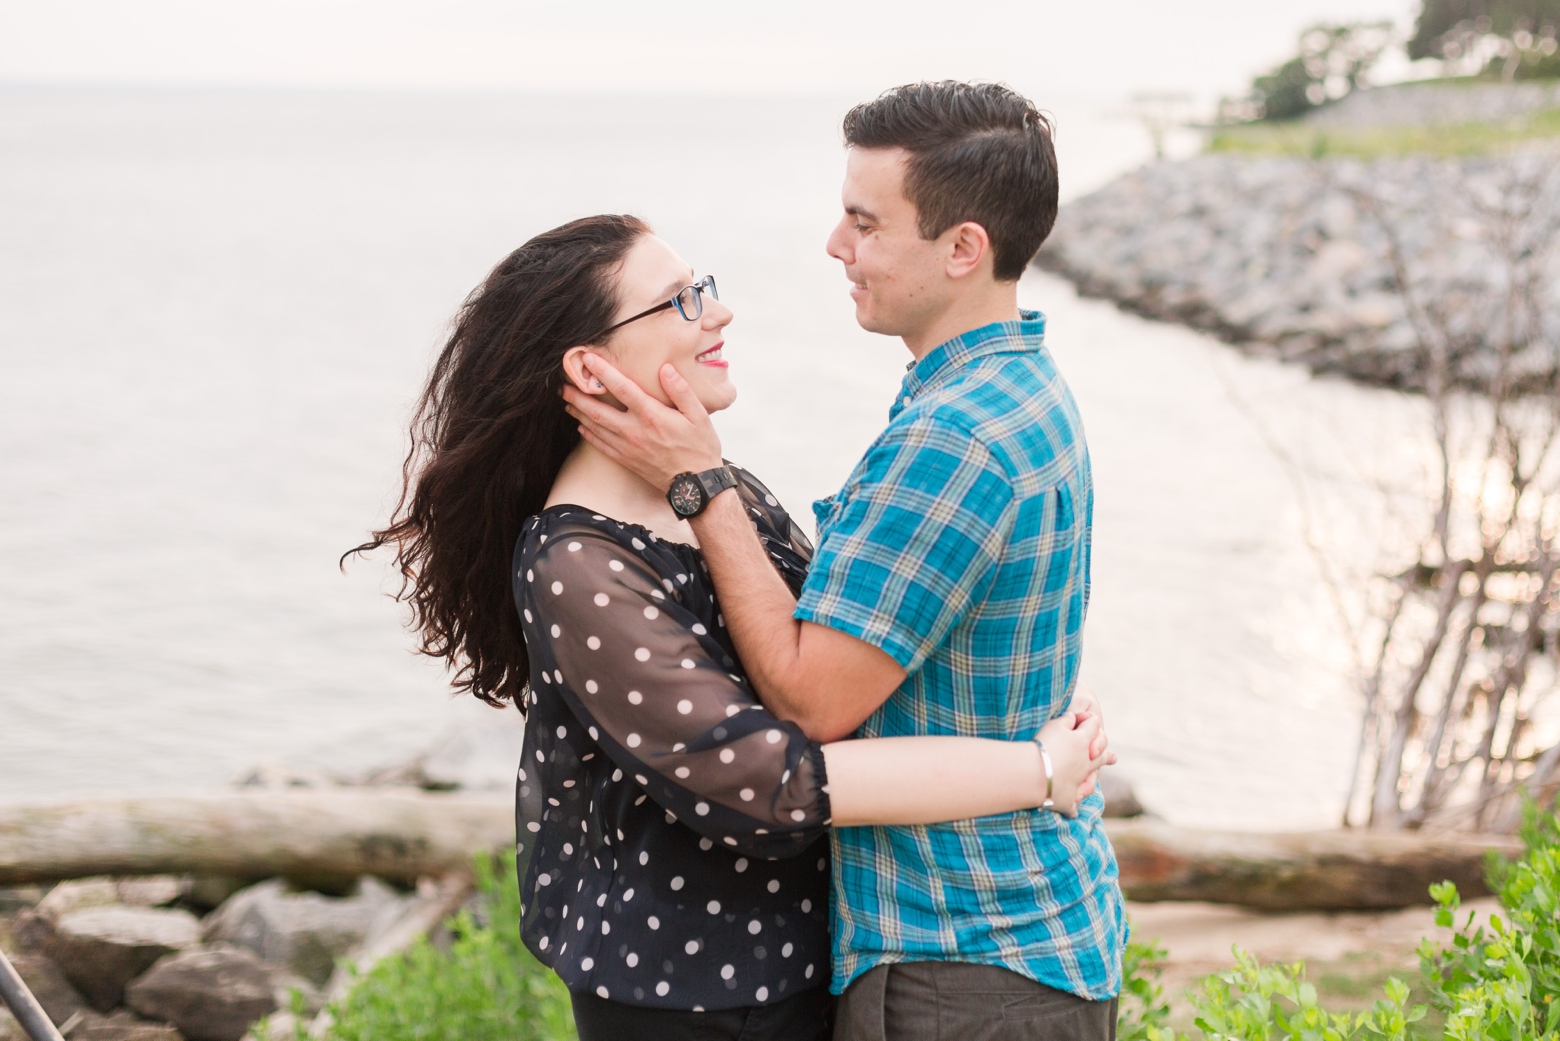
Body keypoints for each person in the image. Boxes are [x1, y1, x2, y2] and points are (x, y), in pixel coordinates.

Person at [356, 212, 1112, 1041]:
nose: (717, 313)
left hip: (811, 961)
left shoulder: (715, 488)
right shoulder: (575, 561)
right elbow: (770, 782)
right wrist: (1035, 768)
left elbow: (828, 654)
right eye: (679, 302)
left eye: (703, 289)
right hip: (689, 996)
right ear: (590, 365)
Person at [566, 82, 1126, 1040]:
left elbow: (810, 704)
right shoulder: (1020, 388)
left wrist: (700, 481)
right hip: (1016, 934)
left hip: (957, 956)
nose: (837, 246)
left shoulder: (954, 439)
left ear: (963, 249)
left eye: (865, 224)